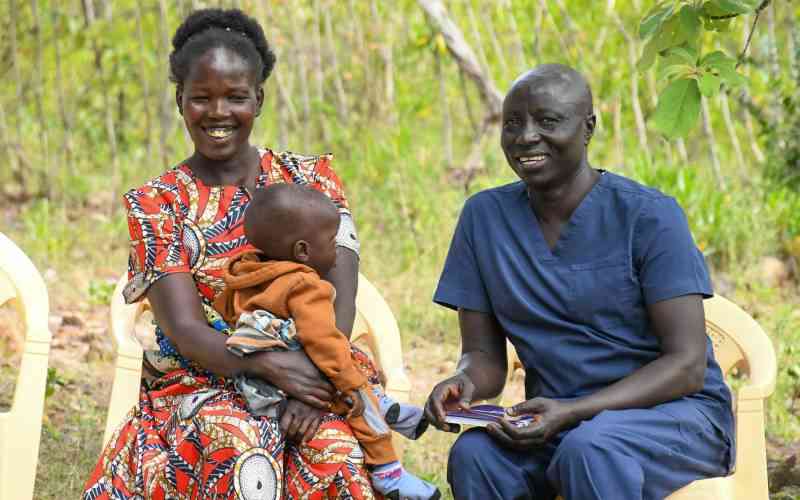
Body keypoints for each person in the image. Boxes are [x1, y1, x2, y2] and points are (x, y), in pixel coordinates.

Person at [83, 8, 384, 499]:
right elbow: (185, 330)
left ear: (259, 98)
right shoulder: (159, 204)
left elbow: (340, 292)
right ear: (180, 100)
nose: (218, 113)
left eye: (235, 97)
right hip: (204, 380)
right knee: (245, 441)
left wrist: (317, 383)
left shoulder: (311, 180)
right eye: (201, 98)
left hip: (316, 369)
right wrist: (265, 366)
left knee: (336, 450)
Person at [424, 64, 735, 500]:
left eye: (547, 121)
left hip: (671, 416)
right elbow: (482, 356)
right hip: (556, 420)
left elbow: (685, 366)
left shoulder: (649, 216)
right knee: (476, 454)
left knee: (589, 450)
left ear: (588, 128)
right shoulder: (484, 219)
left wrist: (574, 412)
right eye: (512, 123)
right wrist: (463, 383)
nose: (526, 136)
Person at [213, 183, 438, 500]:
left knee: (356, 374)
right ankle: (389, 470)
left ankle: (384, 404)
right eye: (332, 241)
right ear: (303, 251)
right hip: (300, 376)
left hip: (259, 381)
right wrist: (348, 382)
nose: (336, 250)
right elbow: (323, 342)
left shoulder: (244, 272)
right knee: (357, 400)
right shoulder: (305, 286)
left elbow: (225, 311)